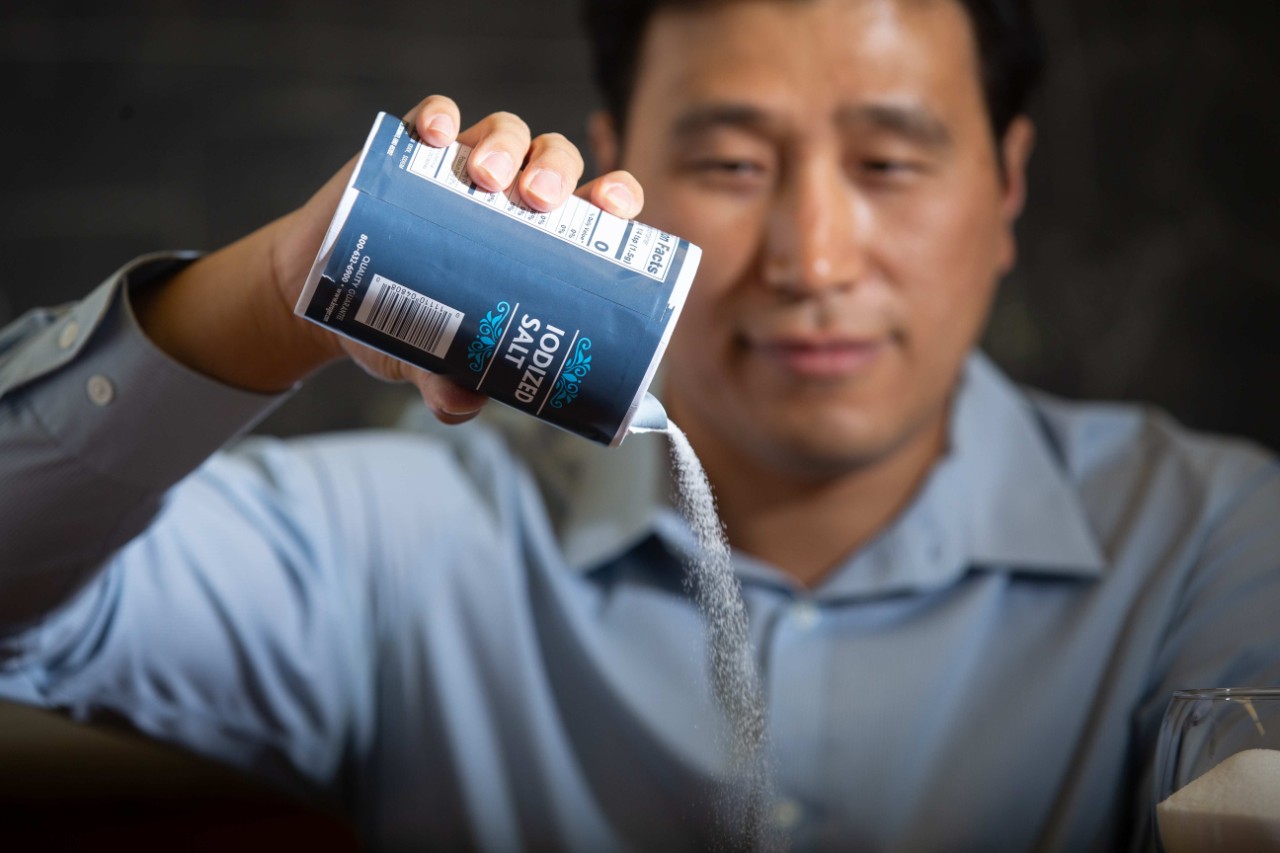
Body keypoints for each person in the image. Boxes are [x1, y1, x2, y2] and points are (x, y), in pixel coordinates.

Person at [1, 0, 1277, 849]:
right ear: (621, 165)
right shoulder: (399, 544)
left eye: (888, 164)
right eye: (731, 163)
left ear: (1004, 185)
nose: (812, 258)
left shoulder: (1210, 539)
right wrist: (285, 286)